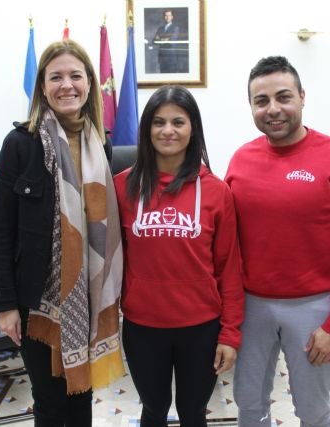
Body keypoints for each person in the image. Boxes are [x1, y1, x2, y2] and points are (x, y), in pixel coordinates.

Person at [225, 56, 330, 427]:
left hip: (313, 311)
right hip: (250, 308)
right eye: (261, 101)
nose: (273, 109)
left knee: (313, 410)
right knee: (249, 405)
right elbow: (226, 244)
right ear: (251, 106)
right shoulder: (240, 160)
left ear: (302, 97)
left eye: (283, 97)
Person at [0, 39, 124, 427]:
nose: (67, 85)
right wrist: (6, 305)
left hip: (88, 294)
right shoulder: (20, 144)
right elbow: (2, 231)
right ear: (43, 87)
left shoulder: (102, 145)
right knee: (49, 402)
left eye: (75, 76)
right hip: (38, 301)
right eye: (56, 77)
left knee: (81, 394)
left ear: (89, 84)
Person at [113, 85, 244, 427]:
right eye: (158, 122)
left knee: (193, 412)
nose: (167, 130)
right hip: (143, 327)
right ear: (146, 130)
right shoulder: (121, 188)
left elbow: (229, 268)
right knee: (153, 409)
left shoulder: (217, 192)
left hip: (201, 327)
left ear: (193, 129)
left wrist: (230, 333)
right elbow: (108, 261)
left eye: (177, 122)